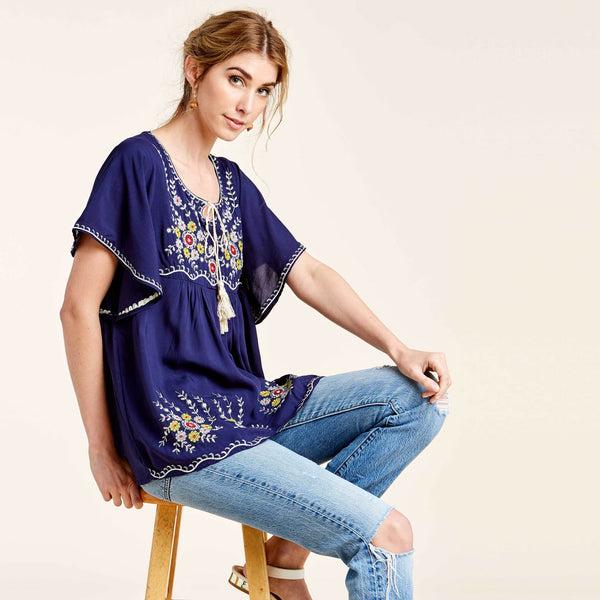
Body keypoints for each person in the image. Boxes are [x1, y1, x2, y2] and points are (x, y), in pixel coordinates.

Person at [60, 9, 451, 600]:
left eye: (264, 90)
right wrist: (101, 447)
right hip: (175, 436)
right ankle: (298, 563)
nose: (248, 104)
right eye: (237, 79)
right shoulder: (135, 165)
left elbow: (308, 273)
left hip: (245, 412)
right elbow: (77, 309)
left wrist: (399, 348)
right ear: (195, 71)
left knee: (418, 398)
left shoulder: (232, 186)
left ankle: (283, 562)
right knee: (387, 536)